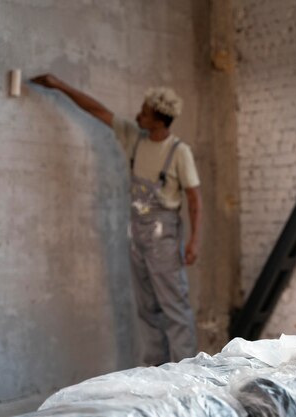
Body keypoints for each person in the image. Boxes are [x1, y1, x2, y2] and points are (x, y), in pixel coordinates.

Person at [31, 74, 202, 366]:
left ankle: (186, 374)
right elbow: (97, 110)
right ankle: (155, 371)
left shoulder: (178, 152)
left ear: (160, 120)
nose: (138, 116)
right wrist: (60, 85)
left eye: (145, 113)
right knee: (147, 308)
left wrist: (193, 241)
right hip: (137, 232)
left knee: (174, 307)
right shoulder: (134, 136)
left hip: (164, 236)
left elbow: (194, 199)